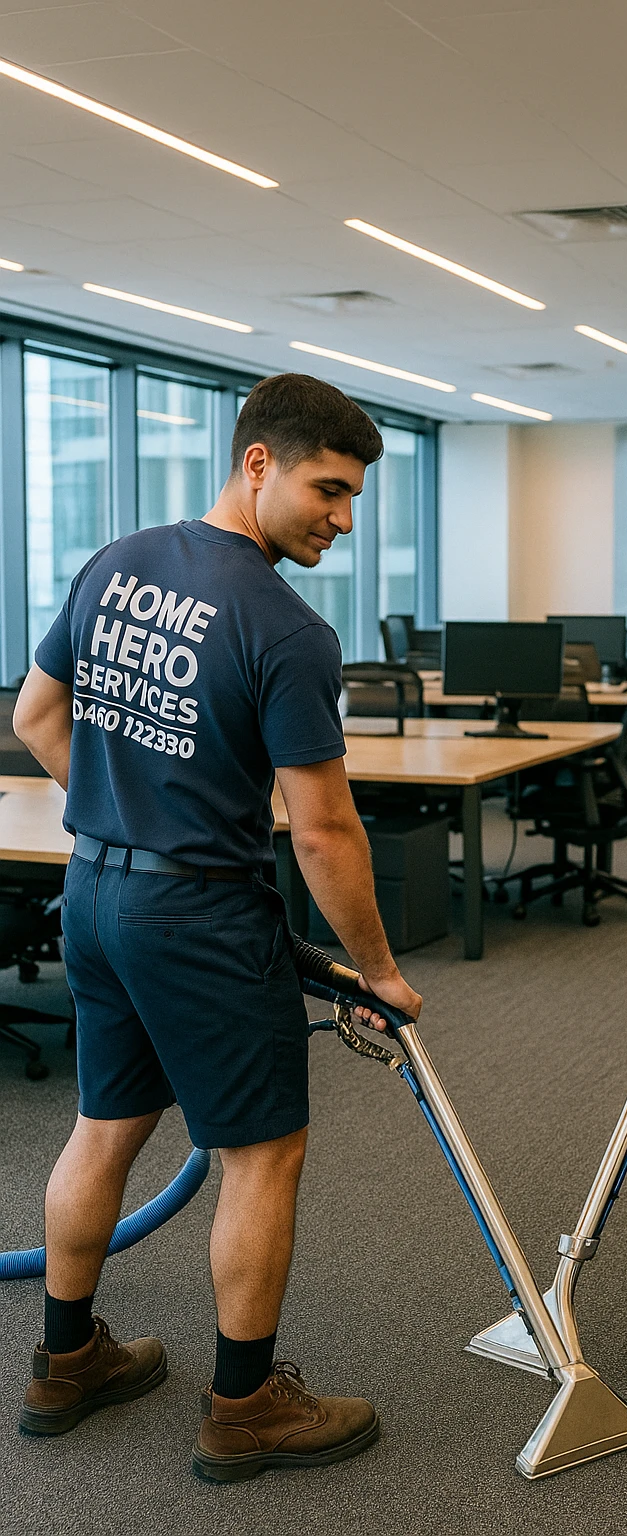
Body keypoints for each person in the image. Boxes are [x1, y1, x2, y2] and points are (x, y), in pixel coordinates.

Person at [13, 372, 422, 1482]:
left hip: (93, 895)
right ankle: (244, 1409)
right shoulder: (285, 629)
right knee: (261, 1154)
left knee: (106, 1126)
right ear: (257, 464)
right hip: (197, 912)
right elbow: (325, 831)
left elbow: (33, 717)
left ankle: (66, 1361)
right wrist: (379, 971)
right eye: (328, 491)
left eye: (353, 500)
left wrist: (121, 813)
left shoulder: (115, 561)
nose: (342, 520)